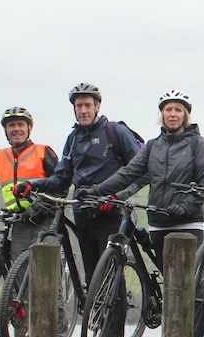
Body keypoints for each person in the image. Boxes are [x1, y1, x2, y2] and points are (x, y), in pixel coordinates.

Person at [15, 82, 143, 285]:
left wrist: (118, 197)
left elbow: (140, 171)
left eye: (87, 105)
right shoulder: (73, 138)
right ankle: (93, 316)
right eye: (79, 106)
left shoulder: (115, 131)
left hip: (110, 212)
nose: (83, 110)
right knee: (92, 278)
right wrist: (33, 184)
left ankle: (114, 315)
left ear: (97, 107)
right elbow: (61, 178)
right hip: (82, 211)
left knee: (109, 277)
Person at [77, 89, 204, 266]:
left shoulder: (198, 144)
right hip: (158, 222)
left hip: (187, 224)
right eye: (168, 109)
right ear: (162, 114)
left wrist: (185, 207)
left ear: (185, 115)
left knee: (187, 287)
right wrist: (96, 191)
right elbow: (127, 174)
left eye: (178, 110)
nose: (173, 114)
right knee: (168, 282)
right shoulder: (152, 146)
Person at [0, 107, 59, 260]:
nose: (16, 129)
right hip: (20, 220)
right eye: (11, 126)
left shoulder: (43, 152)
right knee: (19, 268)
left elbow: (60, 184)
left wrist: (40, 207)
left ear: (29, 128)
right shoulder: (1, 156)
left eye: (20, 125)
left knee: (42, 265)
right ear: (6, 130)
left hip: (45, 218)